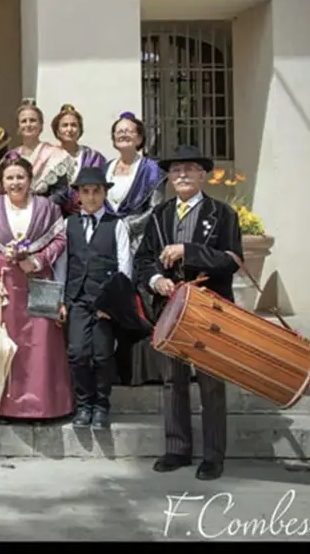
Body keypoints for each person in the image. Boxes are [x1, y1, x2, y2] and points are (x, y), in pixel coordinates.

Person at [135, 145, 244, 481]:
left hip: (210, 309)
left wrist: (189, 250)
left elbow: (232, 260)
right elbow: (143, 260)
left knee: (211, 382)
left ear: (202, 174)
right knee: (173, 380)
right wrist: (156, 280)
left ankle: (213, 455)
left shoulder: (223, 214)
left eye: (189, 169)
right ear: (169, 177)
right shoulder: (159, 215)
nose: (182, 174)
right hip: (171, 310)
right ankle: (177, 448)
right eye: (176, 169)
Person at [0, 157, 73, 422]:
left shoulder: (47, 208)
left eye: (20, 177)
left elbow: (60, 240)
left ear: (30, 179)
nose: (15, 183)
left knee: (40, 342)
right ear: (2, 182)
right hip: (2, 286)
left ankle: (40, 406)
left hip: (37, 280)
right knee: (0, 342)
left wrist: (37, 260)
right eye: (10, 178)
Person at [58, 166, 132, 429]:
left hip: (104, 302)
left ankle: (101, 405)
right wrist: (62, 299)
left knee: (101, 355)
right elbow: (63, 264)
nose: (90, 197)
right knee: (77, 353)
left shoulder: (117, 225)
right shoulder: (69, 224)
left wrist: (115, 304)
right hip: (77, 297)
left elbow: (125, 267)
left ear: (104, 194)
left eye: (96, 192)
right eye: (85, 192)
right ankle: (84, 403)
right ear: (78, 195)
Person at [105, 112, 167, 386]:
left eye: (129, 131)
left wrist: (126, 227)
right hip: (111, 241)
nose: (124, 135)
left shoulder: (151, 170)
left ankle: (145, 370)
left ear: (140, 137)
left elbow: (156, 208)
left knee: (141, 301)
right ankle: (117, 367)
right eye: (119, 131)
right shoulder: (107, 167)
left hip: (140, 240)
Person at [43, 105, 108, 210]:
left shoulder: (93, 157)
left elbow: (101, 188)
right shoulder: (48, 156)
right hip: (54, 214)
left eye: (74, 125)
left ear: (80, 129)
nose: (69, 129)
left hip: (86, 213)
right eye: (64, 125)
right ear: (57, 131)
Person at [10, 101, 71, 204]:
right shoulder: (11, 156)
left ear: (41, 125)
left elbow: (62, 191)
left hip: (46, 213)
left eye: (33, 120)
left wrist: (39, 207)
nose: (28, 124)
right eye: (24, 121)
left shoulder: (55, 155)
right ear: (18, 127)